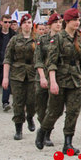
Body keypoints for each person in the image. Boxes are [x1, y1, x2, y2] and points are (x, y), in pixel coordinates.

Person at [35, 8, 81, 153]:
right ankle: (43, 131)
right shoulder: (58, 38)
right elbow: (51, 62)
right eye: (73, 20)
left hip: (76, 80)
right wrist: (52, 81)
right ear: (67, 21)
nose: (76, 23)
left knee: (73, 112)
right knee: (54, 111)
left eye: (78, 20)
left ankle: (68, 143)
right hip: (60, 78)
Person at [2, 13, 37, 140]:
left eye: (29, 23)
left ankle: (30, 117)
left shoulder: (37, 39)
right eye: (25, 23)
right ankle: (18, 128)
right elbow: (7, 59)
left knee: (32, 101)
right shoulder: (14, 40)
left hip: (33, 74)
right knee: (18, 102)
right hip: (17, 74)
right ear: (21, 25)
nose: (27, 25)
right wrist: (5, 77)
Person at [34, 13, 62, 147]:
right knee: (41, 107)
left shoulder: (64, 39)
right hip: (42, 75)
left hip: (57, 77)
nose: (58, 24)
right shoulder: (42, 39)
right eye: (55, 22)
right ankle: (42, 127)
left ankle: (47, 133)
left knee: (54, 107)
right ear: (50, 24)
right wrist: (42, 77)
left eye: (60, 22)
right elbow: (38, 59)